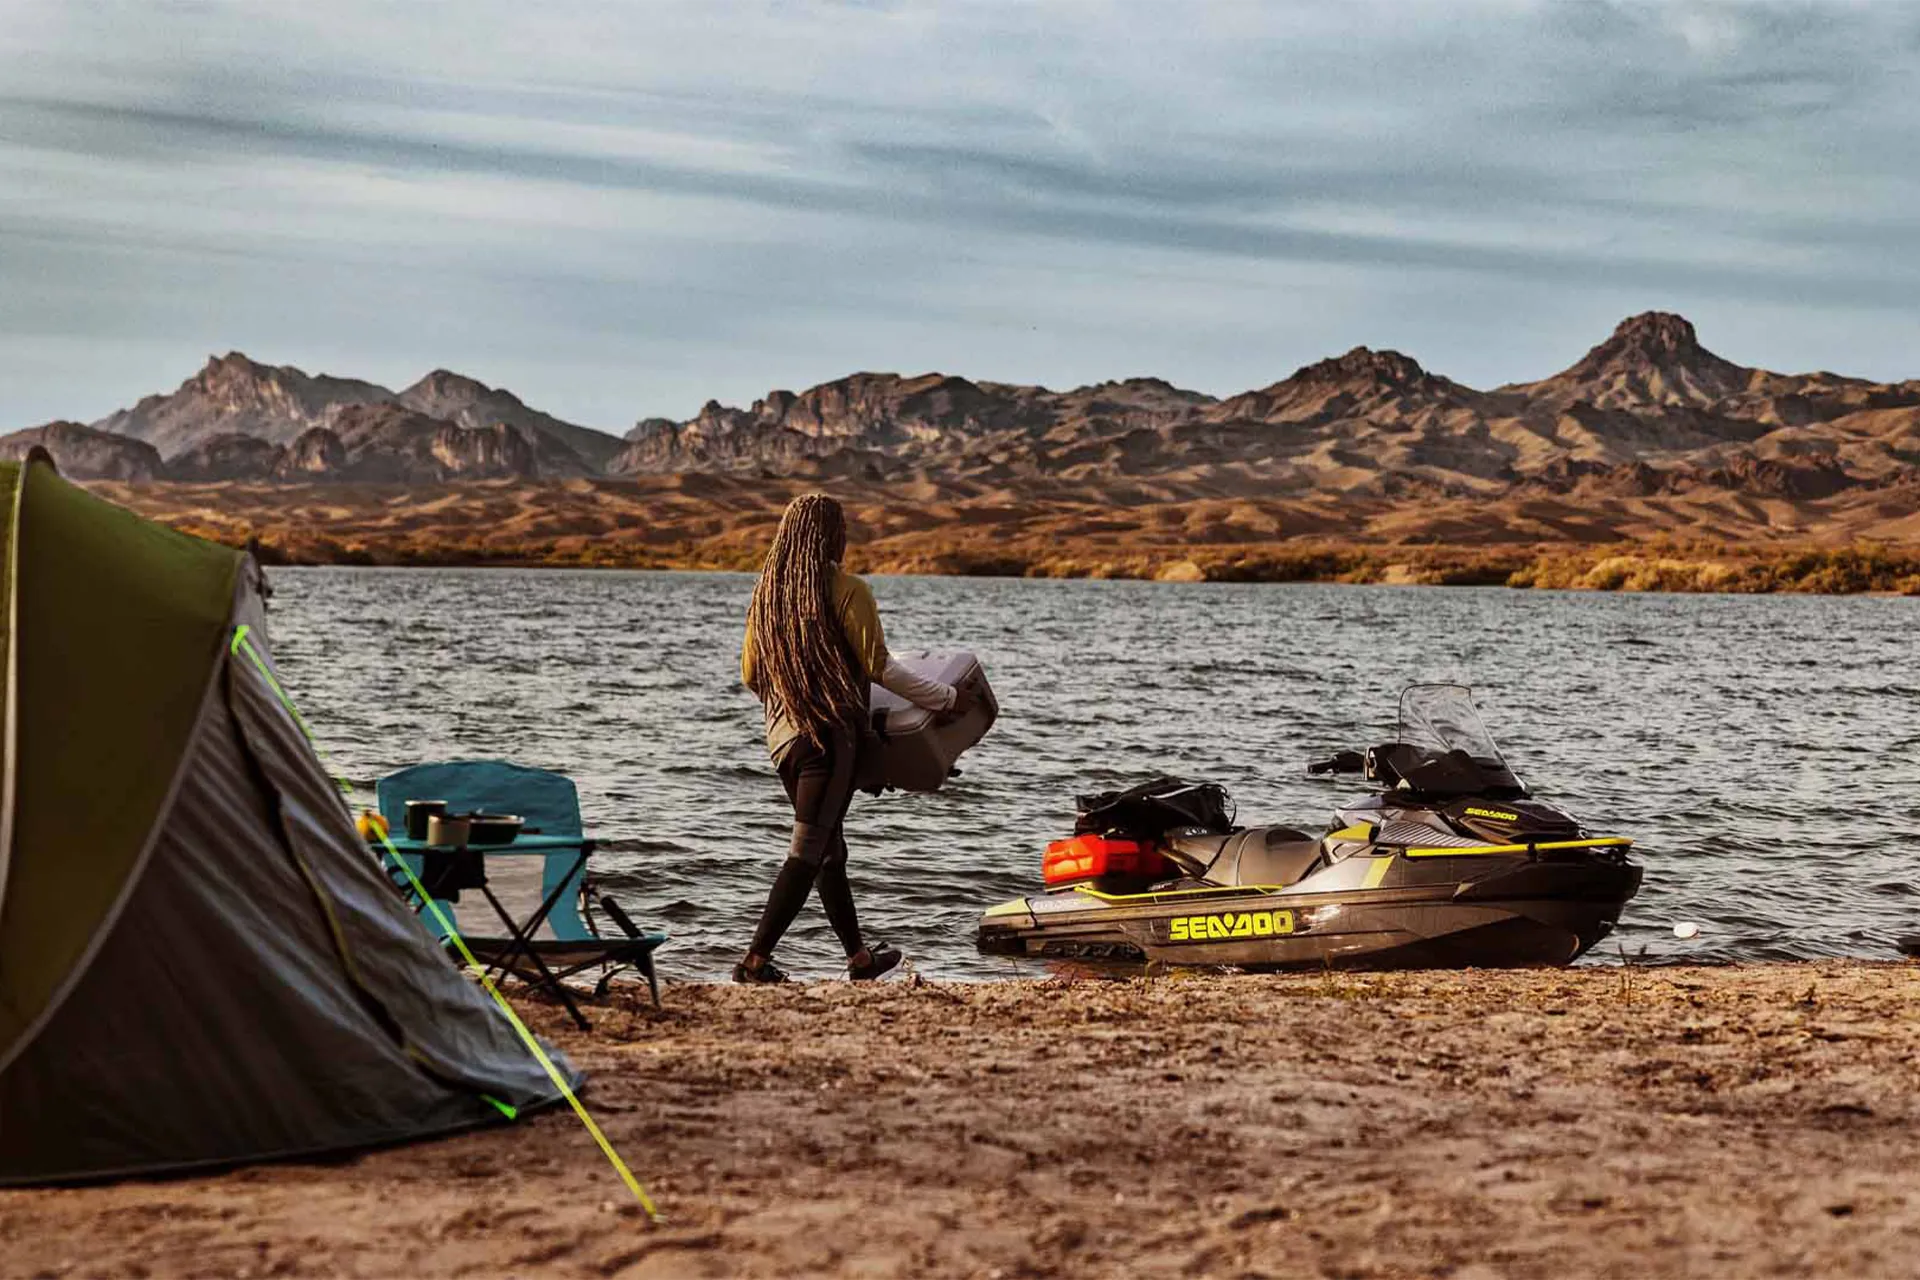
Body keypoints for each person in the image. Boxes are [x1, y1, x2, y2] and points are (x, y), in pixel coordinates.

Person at [736, 493, 972, 984]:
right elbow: (880, 668)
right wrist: (948, 699)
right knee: (807, 851)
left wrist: (793, 696)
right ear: (831, 535)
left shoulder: (766, 598)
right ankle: (753, 962)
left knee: (828, 849)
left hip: (783, 742)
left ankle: (859, 960)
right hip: (828, 738)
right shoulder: (848, 590)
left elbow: (751, 675)